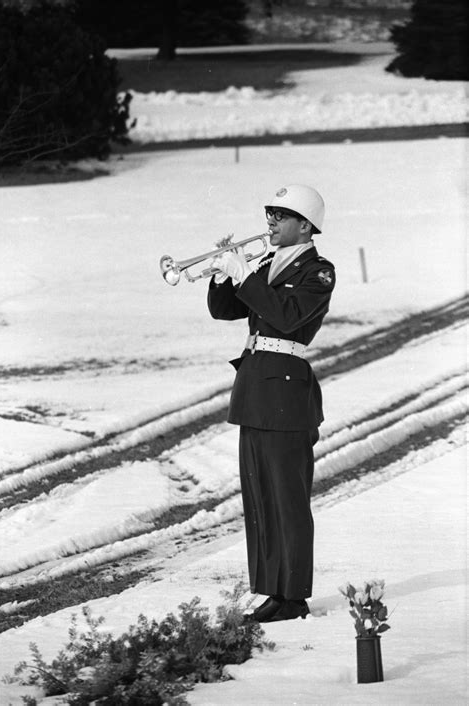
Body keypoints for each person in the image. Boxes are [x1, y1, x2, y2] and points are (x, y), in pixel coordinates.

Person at [207, 184, 335, 623]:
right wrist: (224, 274)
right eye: (271, 215)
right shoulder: (265, 263)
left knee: (288, 499)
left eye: (281, 216)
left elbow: (285, 316)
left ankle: (294, 595)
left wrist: (246, 276)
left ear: (305, 224)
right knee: (261, 497)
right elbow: (224, 311)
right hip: (257, 390)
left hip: (287, 393)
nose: (272, 224)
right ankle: (272, 591)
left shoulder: (319, 272)